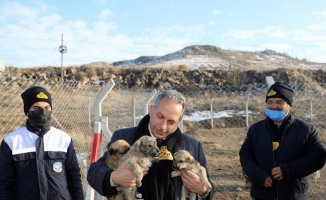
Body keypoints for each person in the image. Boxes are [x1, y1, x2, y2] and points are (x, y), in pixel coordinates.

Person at [87, 89, 215, 200]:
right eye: (160, 116)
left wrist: (201, 191)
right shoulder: (124, 138)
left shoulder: (192, 146)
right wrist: (114, 177)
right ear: (151, 109)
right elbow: (94, 172)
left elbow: (208, 189)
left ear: (179, 121)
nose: (163, 127)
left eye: (171, 122)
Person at [239, 81, 326, 200]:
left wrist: (288, 170)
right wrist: (258, 175)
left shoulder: (306, 130)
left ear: (289, 105)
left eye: (279, 102)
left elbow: (318, 157)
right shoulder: (255, 130)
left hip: (293, 195)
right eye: (269, 102)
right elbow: (245, 156)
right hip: (262, 194)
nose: (273, 106)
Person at [0, 86, 84, 200]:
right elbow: (5, 183)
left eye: (47, 107)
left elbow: (73, 176)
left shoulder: (64, 139)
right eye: (36, 107)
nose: (43, 111)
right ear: (27, 112)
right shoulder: (11, 141)